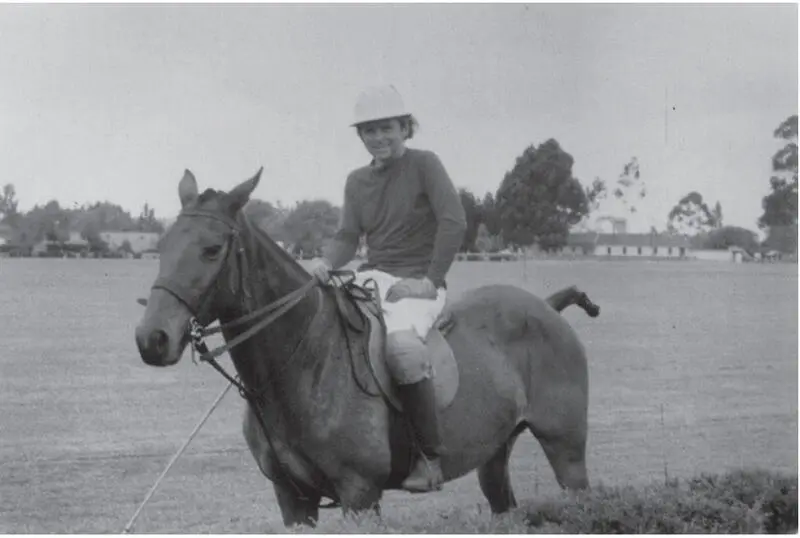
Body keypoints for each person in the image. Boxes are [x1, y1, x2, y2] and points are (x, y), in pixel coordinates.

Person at [308, 84, 467, 493]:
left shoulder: (425, 165)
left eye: (386, 128)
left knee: (401, 350)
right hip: (374, 278)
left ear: (405, 127)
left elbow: (454, 222)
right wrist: (327, 261)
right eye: (368, 131)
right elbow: (347, 236)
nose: (378, 138)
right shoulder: (356, 181)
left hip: (420, 284)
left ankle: (429, 458)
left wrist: (429, 280)